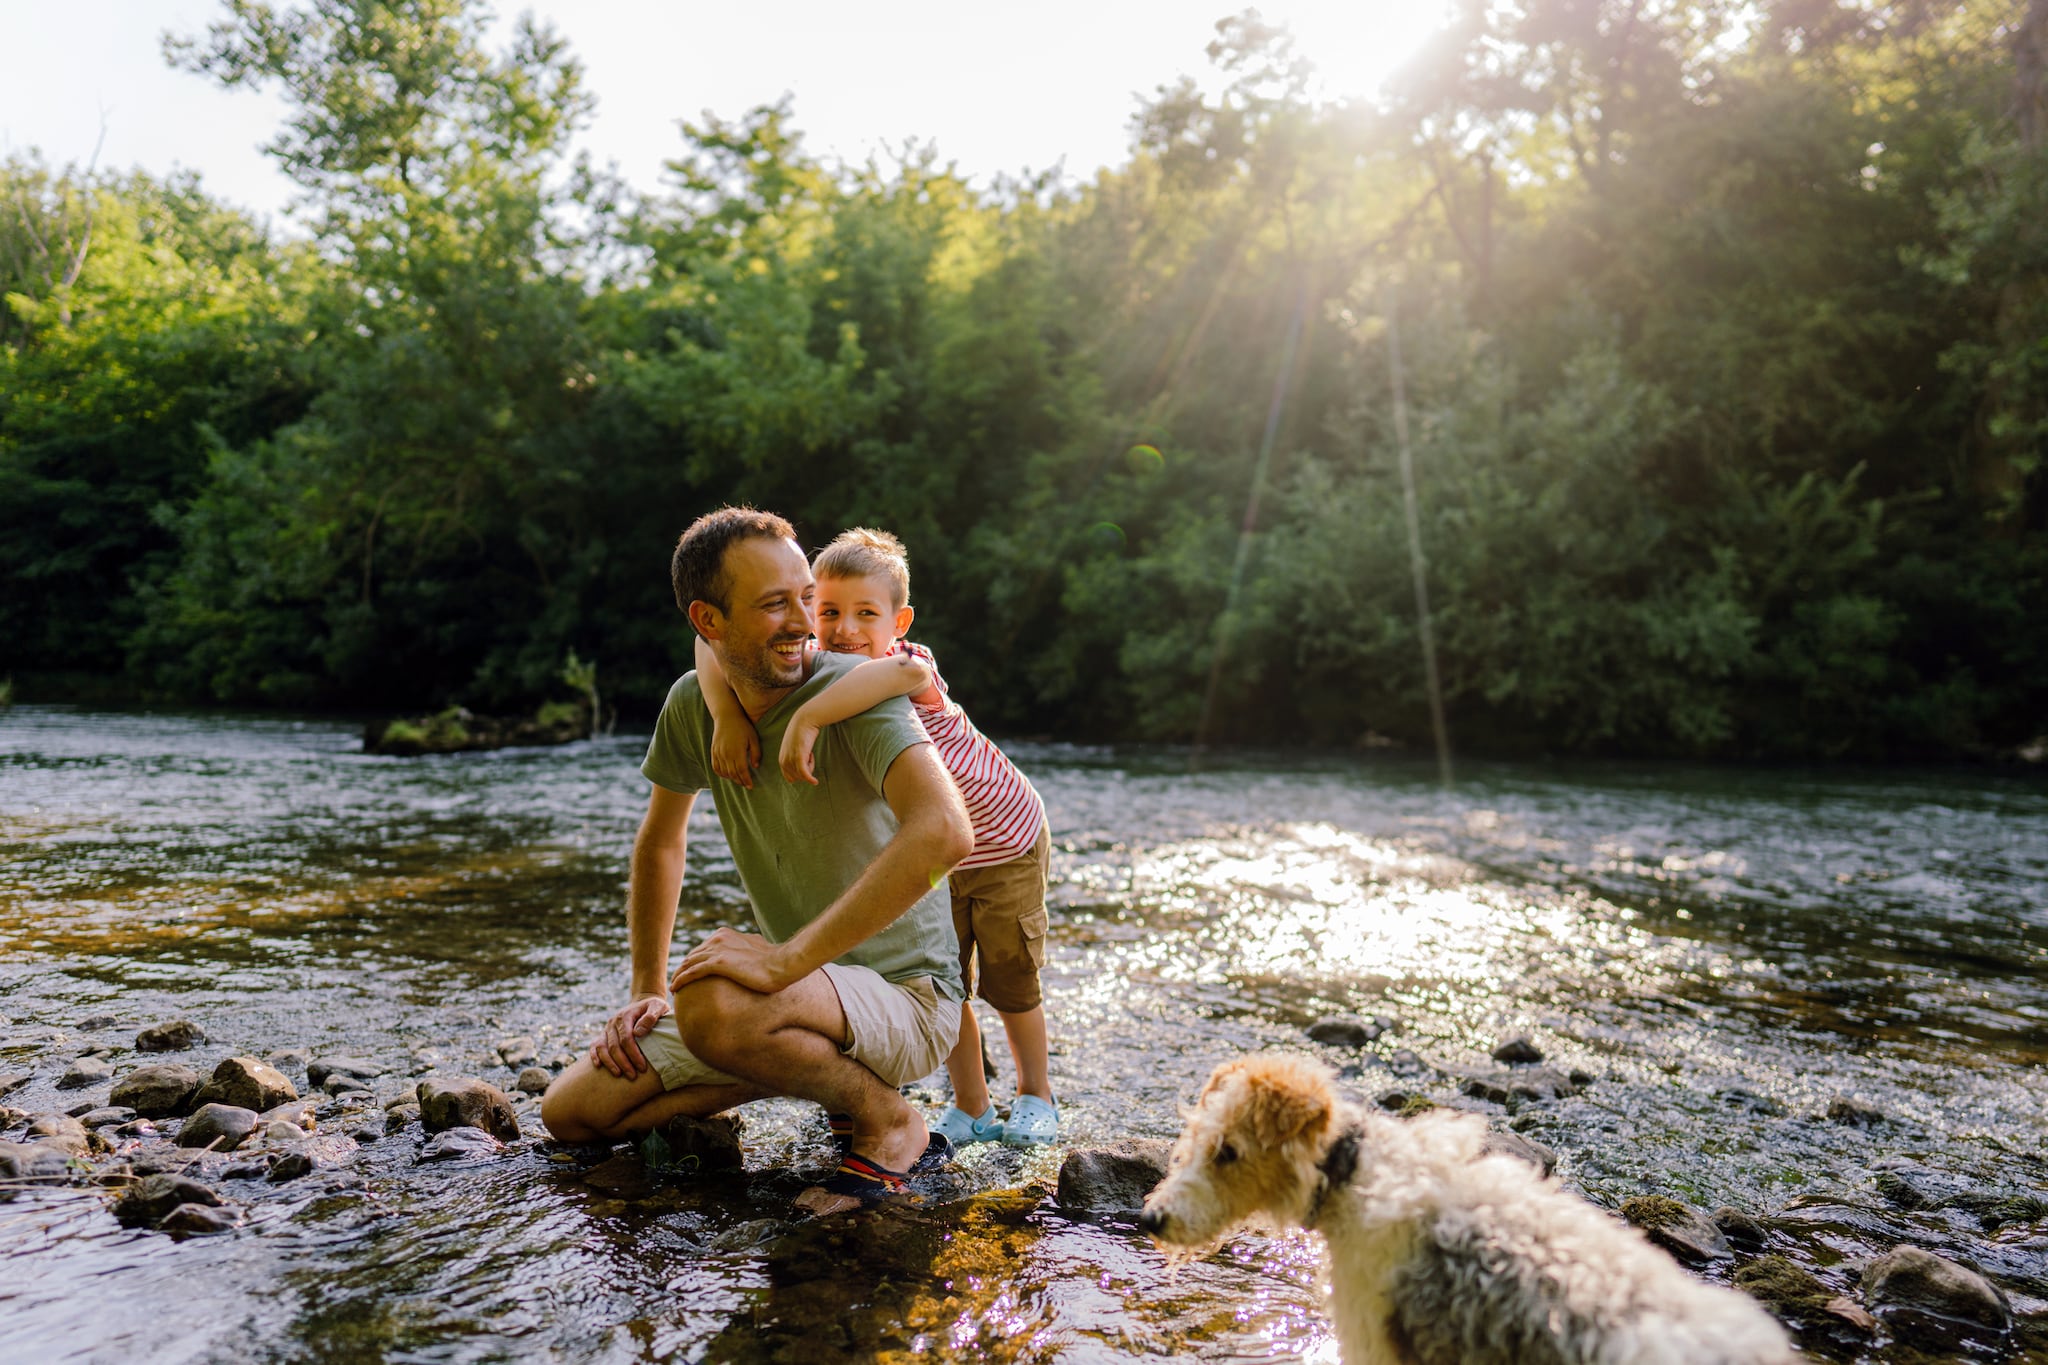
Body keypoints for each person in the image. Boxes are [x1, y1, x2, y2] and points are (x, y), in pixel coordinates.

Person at [540, 508, 975, 1203]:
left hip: (910, 998)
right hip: (802, 1003)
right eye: (777, 604)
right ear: (709, 623)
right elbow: (661, 840)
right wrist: (646, 987)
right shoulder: (696, 705)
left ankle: (890, 1121)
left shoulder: (854, 695)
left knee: (712, 997)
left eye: (808, 595)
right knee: (572, 1111)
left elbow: (946, 833)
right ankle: (801, 1068)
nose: (807, 621)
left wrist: (782, 960)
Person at [696, 528, 1057, 1147]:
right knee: (950, 977)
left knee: (1010, 978)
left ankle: (1035, 1095)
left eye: (867, 614)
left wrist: (808, 715)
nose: (844, 629)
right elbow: (710, 646)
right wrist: (726, 714)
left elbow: (872, 681)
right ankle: (971, 1107)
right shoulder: (808, 656)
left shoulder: (908, 666)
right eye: (828, 611)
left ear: (901, 620)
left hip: (1003, 841)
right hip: (934, 852)